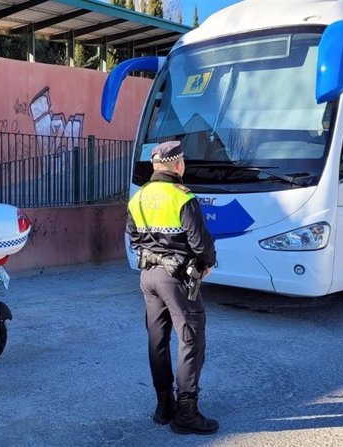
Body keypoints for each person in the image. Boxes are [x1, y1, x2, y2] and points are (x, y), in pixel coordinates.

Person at [126, 140, 218, 435]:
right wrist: (207, 263)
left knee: (158, 340)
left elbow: (134, 239)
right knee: (190, 340)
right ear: (178, 165)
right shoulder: (182, 197)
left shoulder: (138, 198)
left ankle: (163, 406)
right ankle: (187, 413)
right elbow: (201, 243)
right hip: (177, 279)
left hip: (148, 277)